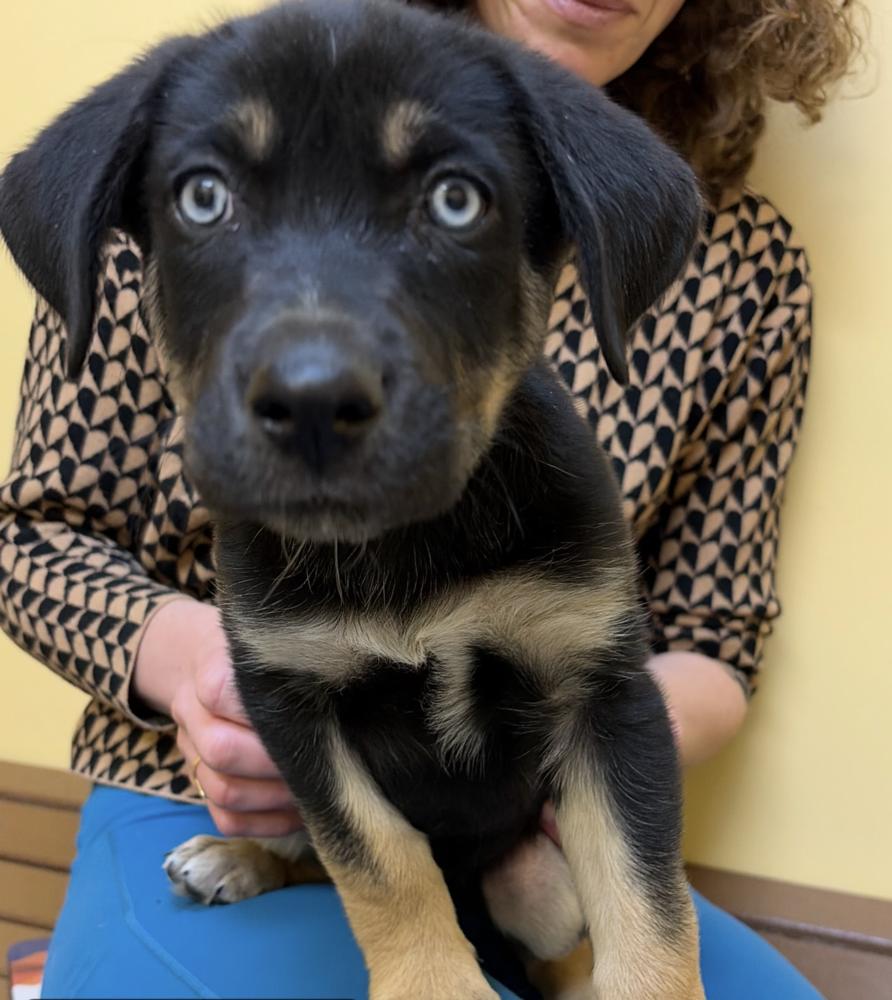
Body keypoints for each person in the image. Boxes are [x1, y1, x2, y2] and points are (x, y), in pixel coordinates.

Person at [0, 0, 862, 997]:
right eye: (205, 200)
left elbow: (710, 639)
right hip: (211, 794)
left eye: (458, 201)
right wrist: (187, 658)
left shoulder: (741, 266)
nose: (316, 365)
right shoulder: (223, 97)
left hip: (530, 817)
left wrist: (576, 774)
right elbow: (30, 531)